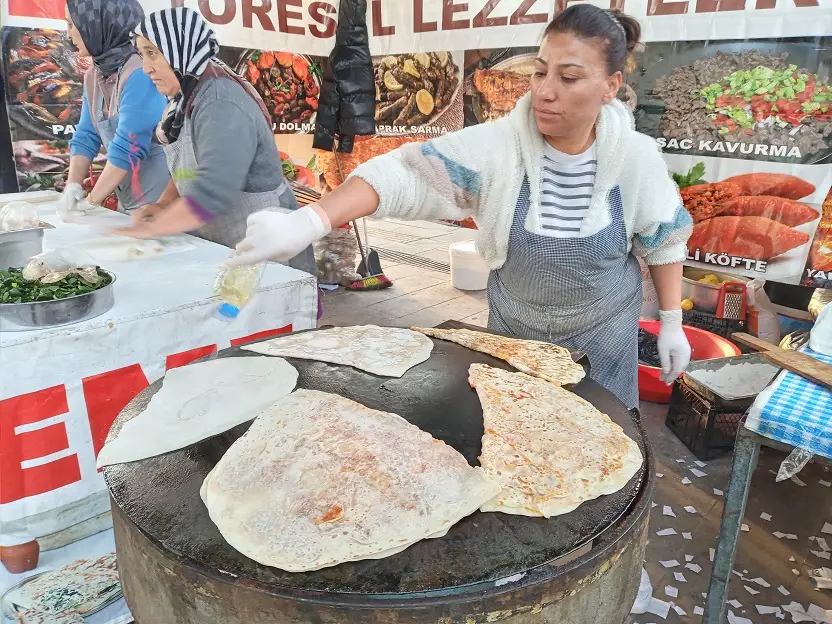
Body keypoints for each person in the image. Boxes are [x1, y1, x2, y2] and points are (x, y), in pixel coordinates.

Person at [230, 5, 694, 408]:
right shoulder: (499, 148)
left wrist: (671, 322)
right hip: (516, 335)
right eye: (540, 71)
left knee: (602, 439)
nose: (545, 90)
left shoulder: (635, 159)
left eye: (568, 77)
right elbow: (406, 173)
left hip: (604, 336)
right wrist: (312, 218)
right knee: (519, 439)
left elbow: (664, 241)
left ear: (611, 85)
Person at [113, 7, 315, 274]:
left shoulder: (220, 99)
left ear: (179, 48)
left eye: (153, 53)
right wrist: (163, 204)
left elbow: (213, 188)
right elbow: (191, 163)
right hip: (227, 244)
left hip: (264, 244)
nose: (146, 68)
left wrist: (150, 230)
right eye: (142, 55)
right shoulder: (186, 95)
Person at [60, 0, 170, 217]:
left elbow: (129, 145)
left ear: (98, 25)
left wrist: (91, 201)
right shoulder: (95, 73)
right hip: (129, 201)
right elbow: (86, 134)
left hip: (160, 201)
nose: (68, 35)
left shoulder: (140, 72)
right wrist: (72, 186)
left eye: (73, 25)